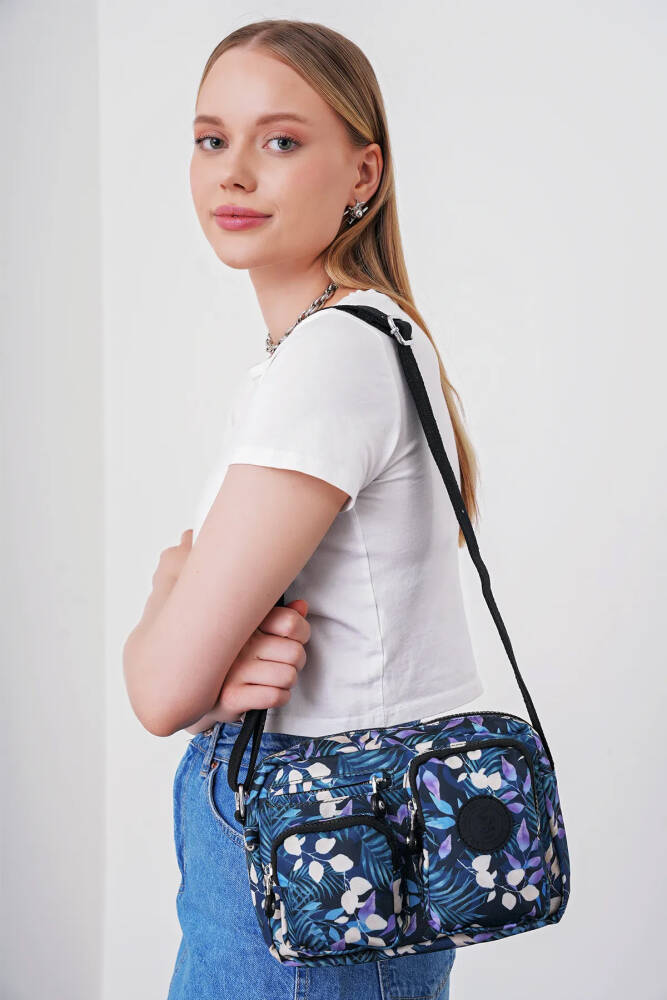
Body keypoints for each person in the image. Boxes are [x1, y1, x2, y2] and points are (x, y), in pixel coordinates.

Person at [123, 18, 487, 1000]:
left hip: (309, 852)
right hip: (342, 851)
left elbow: (159, 691)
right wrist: (207, 669)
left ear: (363, 173)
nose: (234, 173)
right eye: (211, 139)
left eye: (279, 140)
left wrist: (166, 601)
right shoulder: (376, 338)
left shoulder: (331, 357)